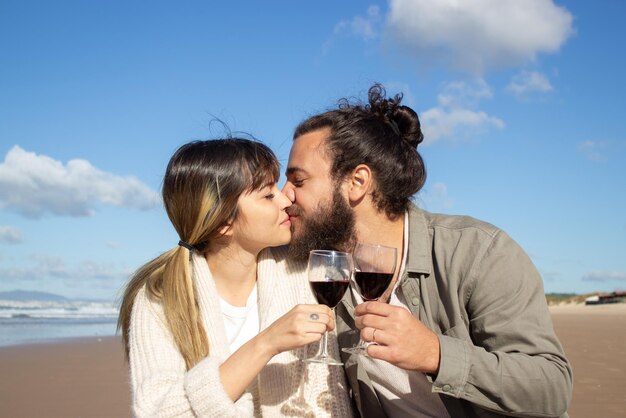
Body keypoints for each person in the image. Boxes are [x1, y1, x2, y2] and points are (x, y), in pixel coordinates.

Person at [281, 85, 573, 417]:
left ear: (357, 182)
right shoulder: (327, 269)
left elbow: (552, 388)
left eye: (298, 181)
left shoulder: (477, 252)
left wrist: (435, 354)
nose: (284, 194)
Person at [117, 138, 354, 417]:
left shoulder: (307, 271)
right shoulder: (160, 298)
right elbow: (159, 413)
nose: (285, 198)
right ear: (223, 222)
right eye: (268, 195)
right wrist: (267, 343)